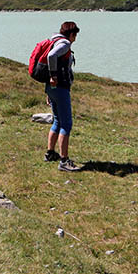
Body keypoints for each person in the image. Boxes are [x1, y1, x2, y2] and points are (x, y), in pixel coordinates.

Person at [42, 21, 80, 172]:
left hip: (52, 88)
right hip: (61, 88)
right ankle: (64, 161)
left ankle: (50, 153)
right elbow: (51, 56)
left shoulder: (54, 40)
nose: (75, 38)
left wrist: (49, 88)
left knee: (57, 120)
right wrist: (54, 76)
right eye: (75, 35)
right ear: (71, 34)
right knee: (66, 124)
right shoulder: (64, 44)